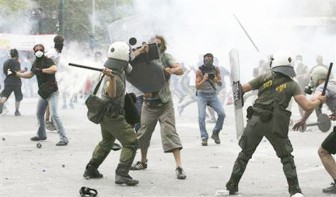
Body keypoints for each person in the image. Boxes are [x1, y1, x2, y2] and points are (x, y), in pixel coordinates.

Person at [225, 50, 326, 197]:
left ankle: (232, 185)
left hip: (256, 121)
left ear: (275, 63)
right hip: (276, 124)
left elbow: (240, 90)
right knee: (286, 157)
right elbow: (307, 107)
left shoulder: (264, 77)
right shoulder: (293, 84)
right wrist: (319, 100)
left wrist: (238, 94)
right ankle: (294, 190)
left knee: (244, 154)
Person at [130, 35, 186, 180]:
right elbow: (130, 70)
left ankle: (179, 167)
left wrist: (171, 70)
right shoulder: (141, 58)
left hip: (165, 103)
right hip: (148, 104)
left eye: (159, 45)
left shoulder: (166, 57)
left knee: (170, 133)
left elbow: (180, 69)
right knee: (143, 134)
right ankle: (143, 161)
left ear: (163, 46)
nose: (156, 47)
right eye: (153, 44)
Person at [83, 41, 139, 186]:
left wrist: (140, 51)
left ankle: (91, 169)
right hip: (112, 116)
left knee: (107, 142)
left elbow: (129, 61)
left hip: (108, 116)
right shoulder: (111, 76)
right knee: (131, 142)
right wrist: (112, 78)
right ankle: (122, 174)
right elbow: (112, 94)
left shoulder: (120, 69)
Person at [292, 66, 336, 194]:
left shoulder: (322, 87)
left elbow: (312, 102)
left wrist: (303, 119)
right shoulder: (334, 84)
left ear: (317, 78)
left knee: (323, 151)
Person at [15, 44, 69, 146]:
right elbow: (30, 75)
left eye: (40, 49)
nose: (39, 51)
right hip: (43, 92)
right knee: (39, 113)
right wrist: (17, 74)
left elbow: (54, 69)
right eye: (37, 50)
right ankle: (41, 135)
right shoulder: (35, 63)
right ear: (34, 52)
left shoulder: (48, 60)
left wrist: (42, 70)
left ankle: (64, 138)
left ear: (43, 51)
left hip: (52, 91)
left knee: (54, 114)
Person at [195, 53, 225, 146]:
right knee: (201, 117)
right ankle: (204, 137)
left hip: (212, 95)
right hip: (202, 95)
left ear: (213, 61)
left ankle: (215, 133)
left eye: (210, 60)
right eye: (206, 60)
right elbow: (197, 87)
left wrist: (216, 79)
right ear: (203, 61)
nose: (208, 62)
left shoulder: (216, 69)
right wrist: (204, 79)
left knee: (222, 114)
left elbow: (220, 84)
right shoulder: (199, 70)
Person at [44, 35, 65, 131]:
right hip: (50, 79)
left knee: (49, 100)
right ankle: (49, 121)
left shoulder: (53, 52)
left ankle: (48, 120)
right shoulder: (54, 54)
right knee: (51, 100)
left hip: (50, 78)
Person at [0, 49, 23, 116]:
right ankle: (17, 111)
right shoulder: (16, 62)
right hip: (16, 82)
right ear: (17, 55)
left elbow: (5, 72)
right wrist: (23, 71)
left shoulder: (6, 62)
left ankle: (1, 105)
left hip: (8, 81)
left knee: (5, 95)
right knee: (18, 96)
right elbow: (17, 72)